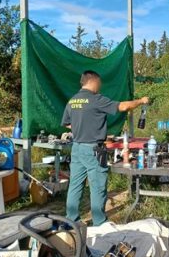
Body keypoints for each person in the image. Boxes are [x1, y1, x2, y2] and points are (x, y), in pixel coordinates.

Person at [62, 70, 149, 226]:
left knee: (75, 185)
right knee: (97, 186)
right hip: (93, 150)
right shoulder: (96, 99)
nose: (100, 87)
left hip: (77, 148)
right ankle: (99, 222)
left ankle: (71, 221)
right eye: (99, 83)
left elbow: (68, 124)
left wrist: (85, 128)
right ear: (94, 81)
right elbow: (123, 106)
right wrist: (141, 101)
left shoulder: (72, 100)